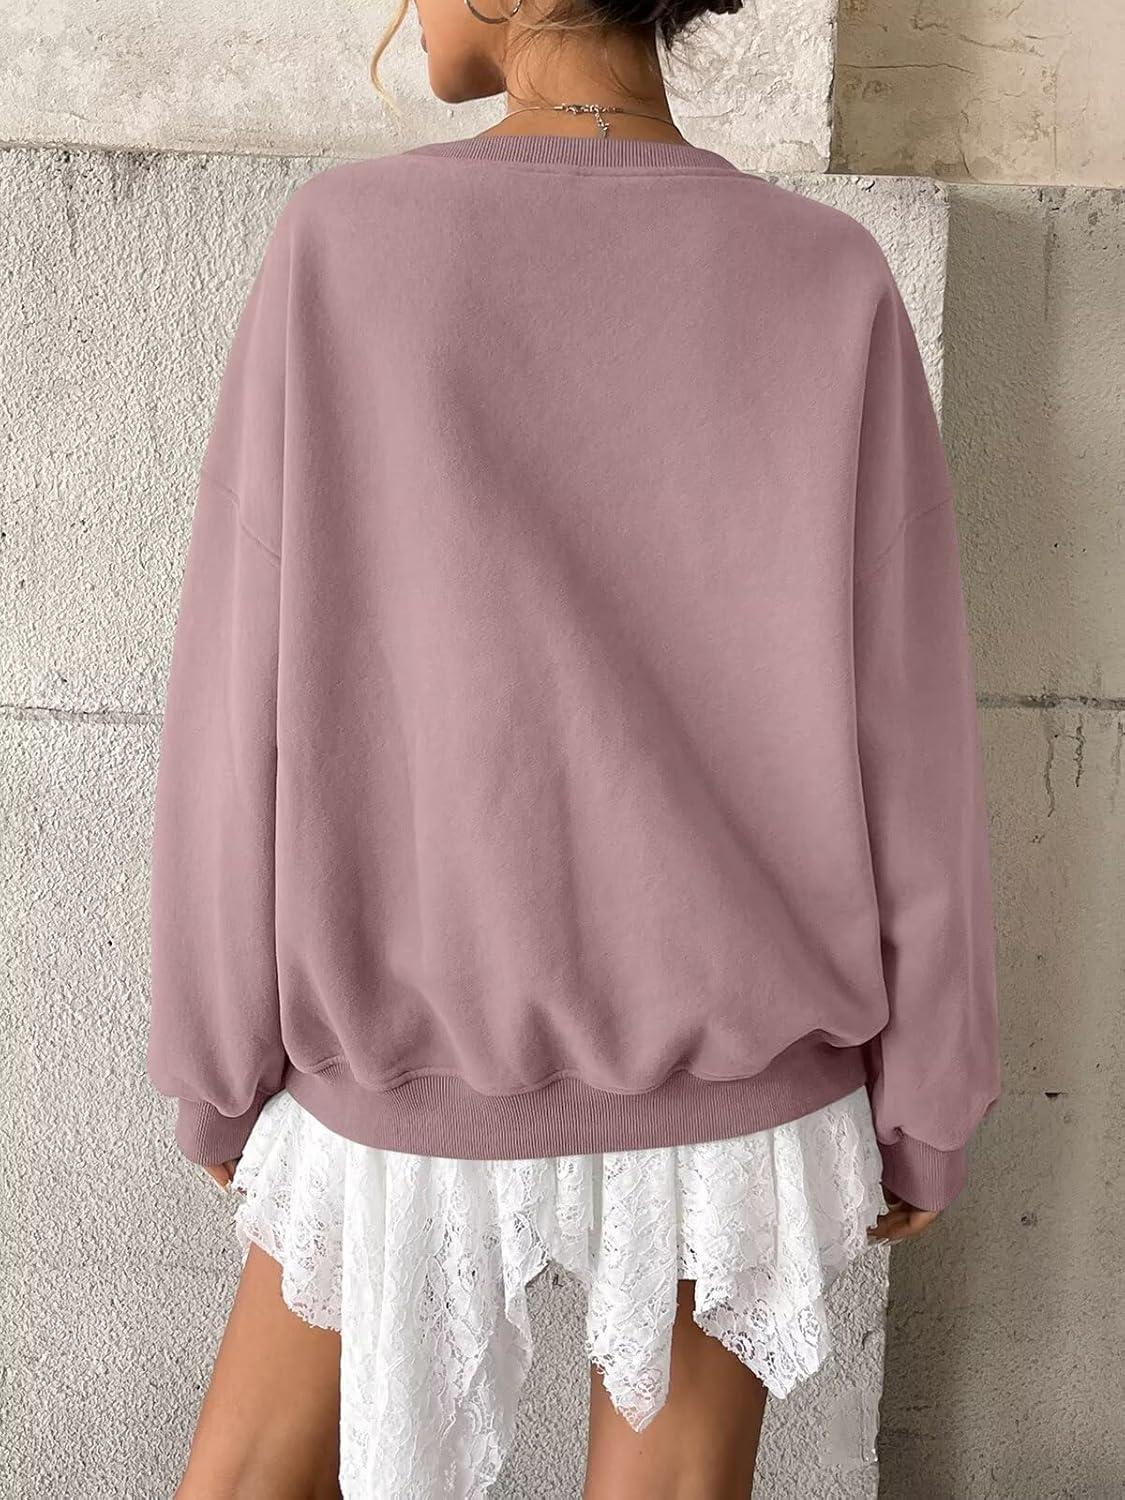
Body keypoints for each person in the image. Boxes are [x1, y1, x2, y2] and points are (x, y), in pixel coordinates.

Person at [145, 0, 1002, 1492]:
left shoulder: (348, 245)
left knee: (250, 1475)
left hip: (403, 1067)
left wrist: (217, 1062)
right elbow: (909, 734)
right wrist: (927, 1096)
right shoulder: (825, 273)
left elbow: (243, 693)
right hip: (741, 1082)